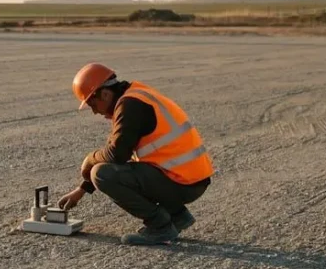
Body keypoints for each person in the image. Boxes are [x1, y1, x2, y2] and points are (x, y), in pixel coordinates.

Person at [56, 63, 214, 245]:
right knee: (106, 170)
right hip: (189, 179)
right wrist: (82, 189)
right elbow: (117, 152)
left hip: (182, 183)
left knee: (101, 174)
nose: (94, 111)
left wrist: (90, 159)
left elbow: (116, 155)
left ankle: (160, 226)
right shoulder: (135, 97)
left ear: (105, 94)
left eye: (93, 103)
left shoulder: (130, 106)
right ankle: (178, 216)